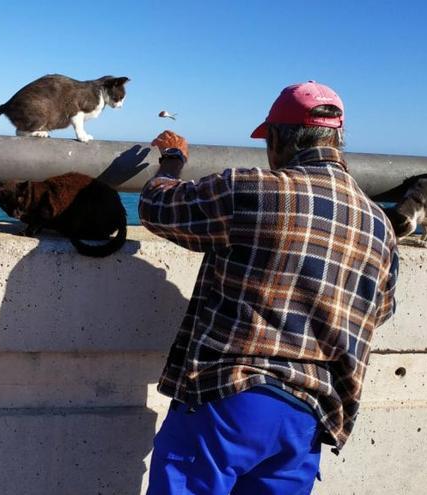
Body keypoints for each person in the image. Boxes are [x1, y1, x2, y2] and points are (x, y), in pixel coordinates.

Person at [138, 81, 399, 494]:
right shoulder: (379, 225)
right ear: (337, 138)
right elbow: (380, 309)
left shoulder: (254, 189)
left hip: (232, 395)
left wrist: (171, 161)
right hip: (307, 418)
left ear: (277, 137)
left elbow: (159, 207)